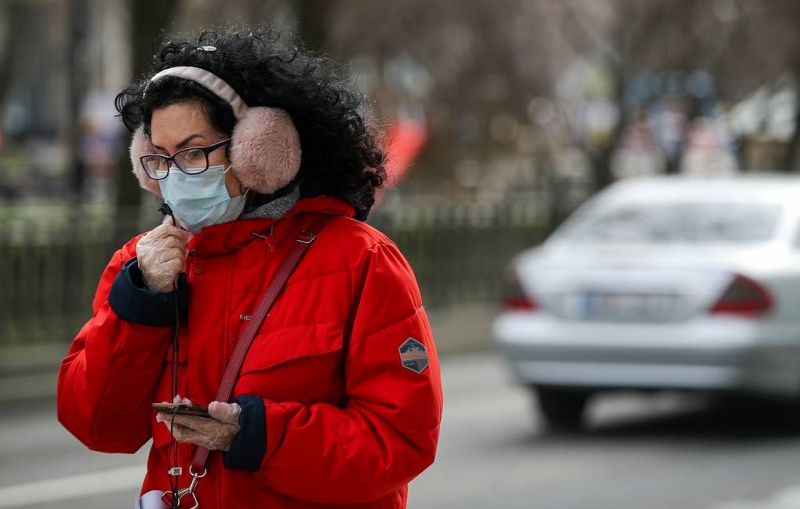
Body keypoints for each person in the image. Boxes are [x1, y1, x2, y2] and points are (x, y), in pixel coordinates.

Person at [57, 25, 442, 509]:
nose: (174, 174)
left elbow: (401, 439)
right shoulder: (142, 264)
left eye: (194, 152)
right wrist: (139, 303)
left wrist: (261, 436)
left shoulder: (361, 260)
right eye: (159, 158)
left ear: (259, 149)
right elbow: (95, 425)